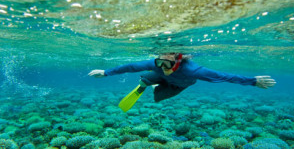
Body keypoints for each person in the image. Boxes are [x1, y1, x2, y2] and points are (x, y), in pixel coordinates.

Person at [88, 53, 276, 103]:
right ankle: (147, 82)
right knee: (145, 77)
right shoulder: (157, 64)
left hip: (180, 85)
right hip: (163, 78)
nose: (163, 67)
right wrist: (105, 72)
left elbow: (224, 77)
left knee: (158, 97)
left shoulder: (194, 71)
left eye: (167, 64)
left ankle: (154, 87)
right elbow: (129, 67)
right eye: (159, 62)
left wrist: (253, 81)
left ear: (177, 61)